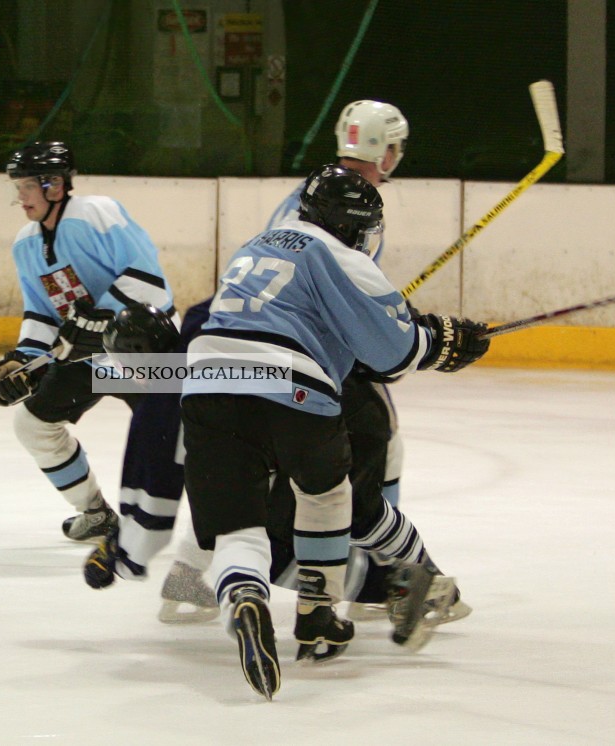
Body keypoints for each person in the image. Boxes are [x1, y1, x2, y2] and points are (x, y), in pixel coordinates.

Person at [98, 164, 491, 699]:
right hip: (293, 387)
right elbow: (390, 352)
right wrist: (444, 344)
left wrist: (428, 337)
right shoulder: (345, 256)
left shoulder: (257, 245)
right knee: (329, 496)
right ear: (353, 222)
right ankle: (317, 617)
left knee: (239, 530)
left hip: (206, 387)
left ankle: (242, 600)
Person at [160, 99, 472, 625]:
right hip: (294, 358)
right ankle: (378, 585)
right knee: (367, 451)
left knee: (240, 464)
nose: (396, 156)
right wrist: (417, 335)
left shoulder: (312, 192)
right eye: (393, 147)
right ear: (381, 149)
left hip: (231, 355)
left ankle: (191, 576)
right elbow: (359, 318)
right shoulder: (347, 207)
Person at [0, 141, 177, 542]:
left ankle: (245, 519)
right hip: (95, 363)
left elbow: (148, 280)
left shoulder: (95, 213)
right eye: (16, 188)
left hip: (146, 353)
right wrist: (24, 360)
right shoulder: (25, 243)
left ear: (54, 185)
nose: (19, 198)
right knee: (33, 424)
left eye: (26, 187)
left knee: (184, 434)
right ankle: (96, 513)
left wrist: (99, 319)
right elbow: (41, 311)